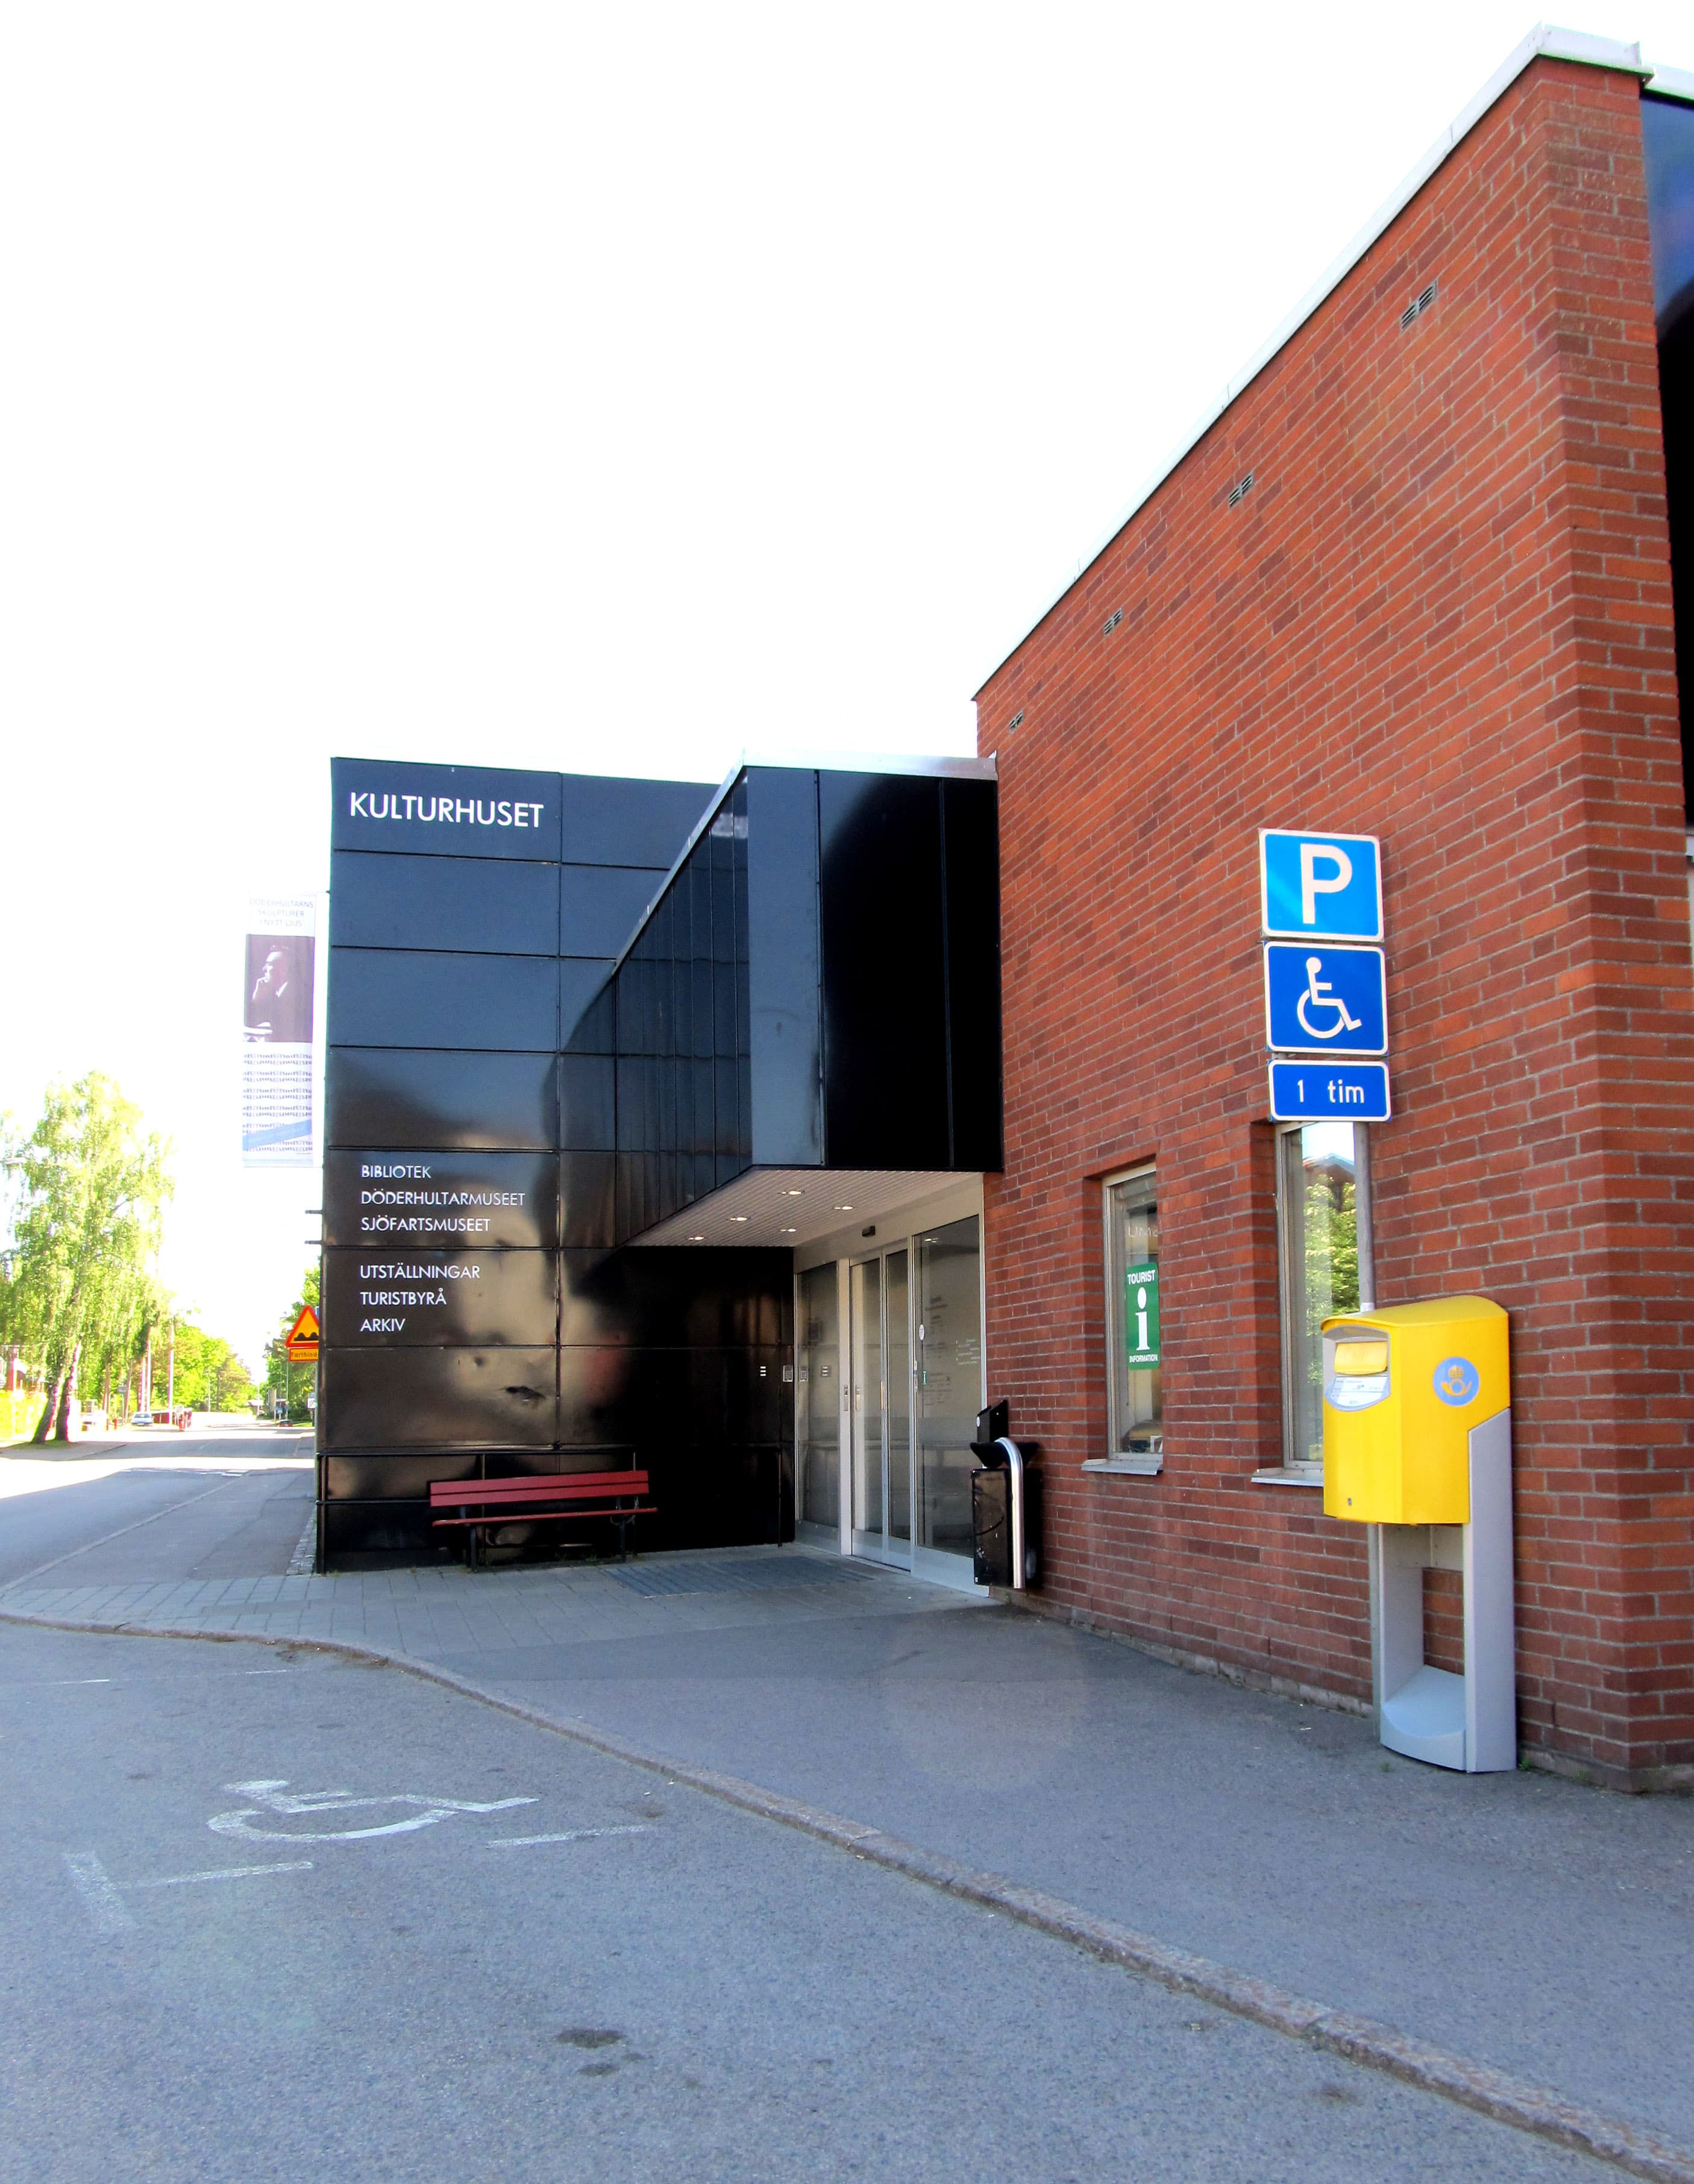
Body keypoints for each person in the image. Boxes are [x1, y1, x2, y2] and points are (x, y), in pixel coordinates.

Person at [245, 938, 313, 1043]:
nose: (264, 969)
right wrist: (257, 999)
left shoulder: (303, 996)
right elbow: (250, 1022)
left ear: (283, 969)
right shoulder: (272, 994)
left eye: (269, 964)